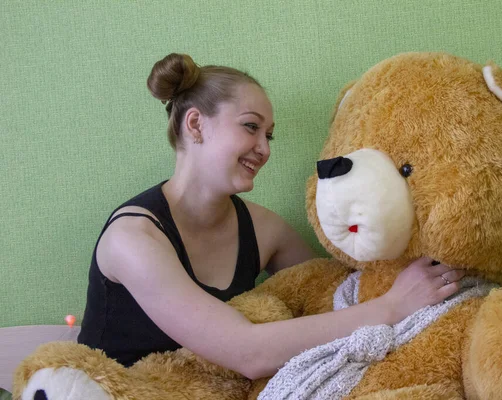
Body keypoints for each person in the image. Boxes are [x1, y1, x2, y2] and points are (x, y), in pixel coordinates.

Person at [78, 53, 465, 379]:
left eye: (270, 135)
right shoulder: (133, 239)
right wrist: (393, 305)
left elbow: (337, 298)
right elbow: (248, 354)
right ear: (195, 124)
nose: (263, 149)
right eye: (251, 127)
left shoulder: (265, 230)